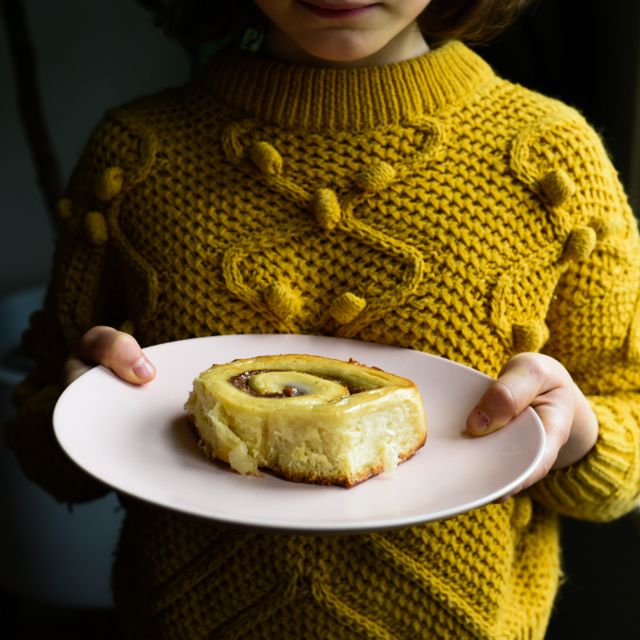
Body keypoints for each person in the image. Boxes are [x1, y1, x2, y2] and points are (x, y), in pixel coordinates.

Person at [6, 0, 640, 637]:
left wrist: (578, 430)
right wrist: (80, 403)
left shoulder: (551, 160)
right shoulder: (136, 157)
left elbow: (627, 426)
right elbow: (44, 432)